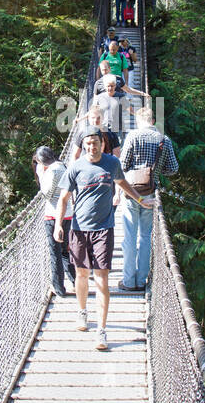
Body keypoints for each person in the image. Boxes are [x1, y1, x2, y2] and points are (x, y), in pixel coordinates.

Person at [54, 128, 156, 349]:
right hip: (80, 229)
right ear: (83, 145)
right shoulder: (75, 166)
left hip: (104, 229)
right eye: (88, 143)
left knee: (101, 278)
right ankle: (82, 312)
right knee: (81, 274)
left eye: (96, 142)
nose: (92, 147)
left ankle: (101, 330)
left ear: (103, 143)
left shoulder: (111, 163)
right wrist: (58, 225)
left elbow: (122, 183)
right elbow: (63, 198)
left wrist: (139, 200)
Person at [116, 106, 178, 292]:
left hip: (131, 193)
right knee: (145, 237)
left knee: (129, 237)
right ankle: (141, 280)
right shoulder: (164, 140)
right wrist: (156, 173)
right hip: (151, 194)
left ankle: (128, 281)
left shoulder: (133, 136)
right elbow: (173, 168)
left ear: (139, 121)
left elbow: (123, 165)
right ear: (153, 121)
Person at [34, 146, 75, 298]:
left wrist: (40, 175)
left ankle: (59, 288)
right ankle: (75, 281)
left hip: (53, 216)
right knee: (66, 251)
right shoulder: (63, 165)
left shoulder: (52, 171)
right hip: (68, 214)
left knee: (55, 253)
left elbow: (47, 194)